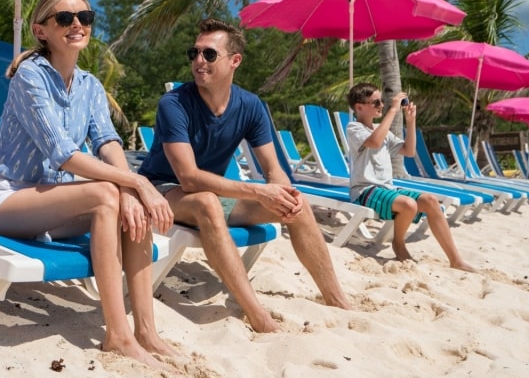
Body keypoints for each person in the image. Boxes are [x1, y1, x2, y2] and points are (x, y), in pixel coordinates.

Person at [0, 0, 179, 370]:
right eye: (64, 18)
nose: (77, 23)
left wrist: (132, 188)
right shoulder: (30, 76)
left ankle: (145, 330)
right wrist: (138, 183)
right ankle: (117, 335)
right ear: (41, 31)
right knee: (107, 194)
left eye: (85, 16)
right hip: (3, 198)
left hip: (50, 202)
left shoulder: (90, 85)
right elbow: (62, 154)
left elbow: (107, 141)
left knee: (131, 206)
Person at [138, 19, 351, 333]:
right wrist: (258, 192)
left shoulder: (251, 106)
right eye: (194, 53)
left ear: (234, 60)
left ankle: (337, 299)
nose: (198, 61)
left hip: (208, 195)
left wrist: (283, 193)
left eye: (209, 54)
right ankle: (259, 317)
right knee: (208, 203)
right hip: (161, 192)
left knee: (299, 203)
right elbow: (189, 178)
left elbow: (273, 169)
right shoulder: (174, 104)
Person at [345, 82, 475, 272]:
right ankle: (398, 243)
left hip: (386, 189)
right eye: (376, 102)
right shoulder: (354, 128)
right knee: (409, 205)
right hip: (365, 190)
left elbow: (409, 150)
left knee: (431, 201)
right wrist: (393, 110)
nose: (382, 105)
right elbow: (374, 142)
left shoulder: (383, 131)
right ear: (359, 107)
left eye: (382, 101)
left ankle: (456, 259)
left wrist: (410, 121)